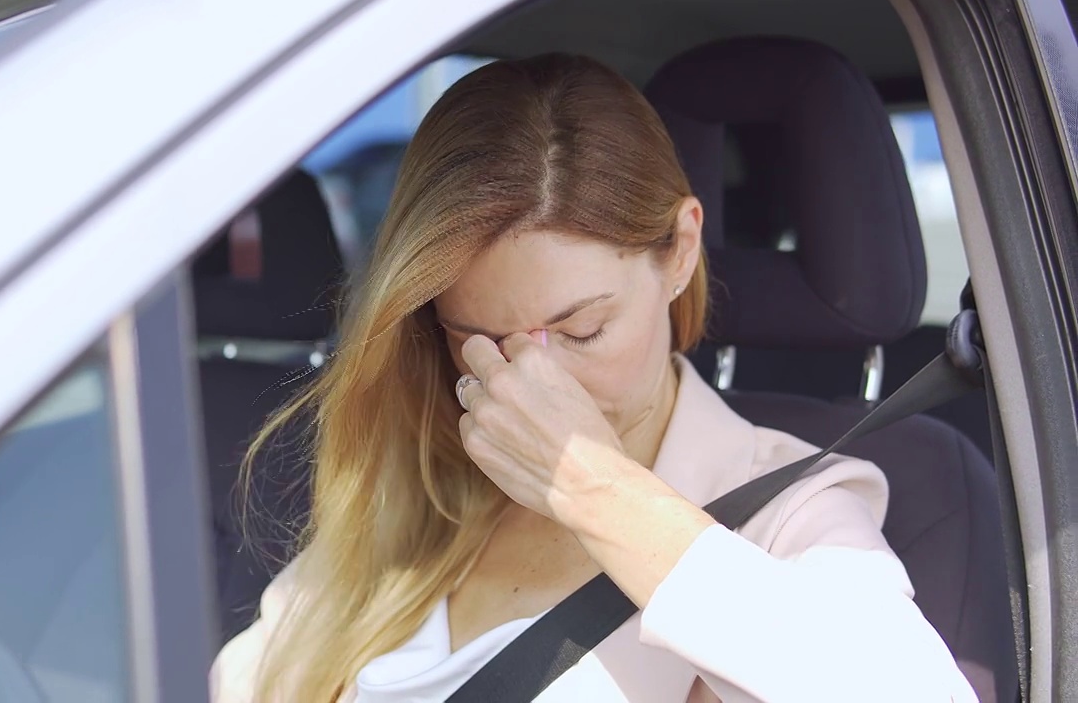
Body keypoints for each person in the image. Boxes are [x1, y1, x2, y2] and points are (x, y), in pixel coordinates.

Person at [210, 53, 976, 702]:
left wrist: (592, 486)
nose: (534, 380)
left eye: (581, 330)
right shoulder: (416, 484)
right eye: (478, 338)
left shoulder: (787, 506)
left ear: (678, 254)